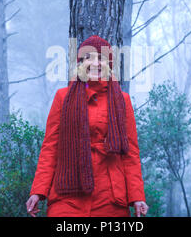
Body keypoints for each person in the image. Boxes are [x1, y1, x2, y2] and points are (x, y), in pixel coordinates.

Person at [26, 35, 149, 217]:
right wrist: (38, 190)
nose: (95, 63)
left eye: (101, 58)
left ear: (109, 65)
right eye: (88, 57)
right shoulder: (63, 97)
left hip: (109, 195)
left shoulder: (122, 100)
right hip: (68, 191)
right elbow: (50, 148)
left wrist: (137, 196)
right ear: (80, 63)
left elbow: (130, 153)